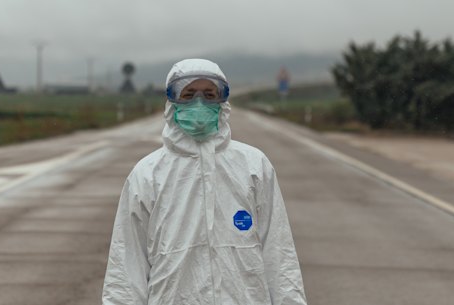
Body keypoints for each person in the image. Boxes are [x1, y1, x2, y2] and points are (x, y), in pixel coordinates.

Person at [102, 58, 307, 305]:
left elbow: (279, 254)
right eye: (188, 95)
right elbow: (126, 268)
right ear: (172, 102)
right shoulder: (147, 174)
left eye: (209, 94)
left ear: (223, 102)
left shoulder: (254, 166)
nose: (199, 102)